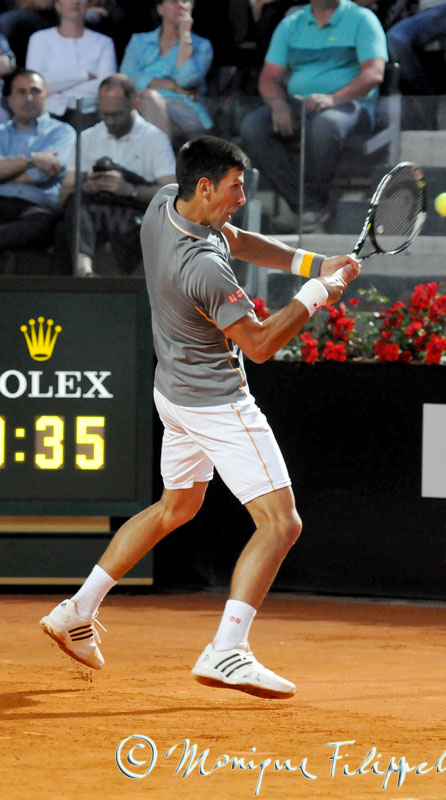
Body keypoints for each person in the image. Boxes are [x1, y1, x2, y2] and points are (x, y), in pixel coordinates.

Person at [40, 134, 361, 699]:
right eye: (235, 187)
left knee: (176, 506)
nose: (242, 197)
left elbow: (235, 237)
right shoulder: (205, 270)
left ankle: (77, 610)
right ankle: (228, 650)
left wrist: (313, 262)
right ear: (207, 186)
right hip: (217, 403)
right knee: (282, 524)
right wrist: (318, 293)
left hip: (174, 392)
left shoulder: (166, 201)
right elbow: (259, 345)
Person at [240, 0, 388, 234]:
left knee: (326, 125)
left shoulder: (362, 19)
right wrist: (279, 105)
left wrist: (333, 99)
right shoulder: (291, 23)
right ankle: (307, 207)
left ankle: (310, 208)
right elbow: (269, 77)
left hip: (350, 105)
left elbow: (374, 73)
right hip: (299, 103)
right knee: (253, 126)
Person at [59, 73, 176, 276]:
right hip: (95, 211)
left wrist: (130, 189)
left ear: (134, 103)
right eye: (104, 115)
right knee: (74, 202)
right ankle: (83, 269)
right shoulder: (87, 137)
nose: (110, 121)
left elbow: (172, 195)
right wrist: (86, 186)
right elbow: (64, 194)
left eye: (117, 115)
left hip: (134, 211)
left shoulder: (154, 138)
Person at [0, 68, 75, 266]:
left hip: (37, 208)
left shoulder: (62, 132)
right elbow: (36, 168)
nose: (29, 98)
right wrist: (32, 158)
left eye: (35, 91)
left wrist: (6, 171)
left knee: (36, 226)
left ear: (47, 96)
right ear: (9, 99)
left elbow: (43, 173)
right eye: (21, 92)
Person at [120, 0, 213, 144]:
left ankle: (159, 157)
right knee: (143, 102)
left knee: (148, 106)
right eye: (174, 1)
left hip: (184, 109)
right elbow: (126, 80)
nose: (180, 5)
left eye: (186, 1)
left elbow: (187, 80)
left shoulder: (202, 45)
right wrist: (173, 86)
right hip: (139, 104)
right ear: (160, 8)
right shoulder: (139, 42)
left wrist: (185, 36)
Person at [25, 0, 116, 123]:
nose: (75, 2)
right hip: (48, 116)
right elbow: (35, 85)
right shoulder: (39, 39)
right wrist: (84, 76)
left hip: (90, 116)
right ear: (58, 5)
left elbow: (106, 86)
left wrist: (58, 90)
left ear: (88, 5)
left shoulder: (104, 43)